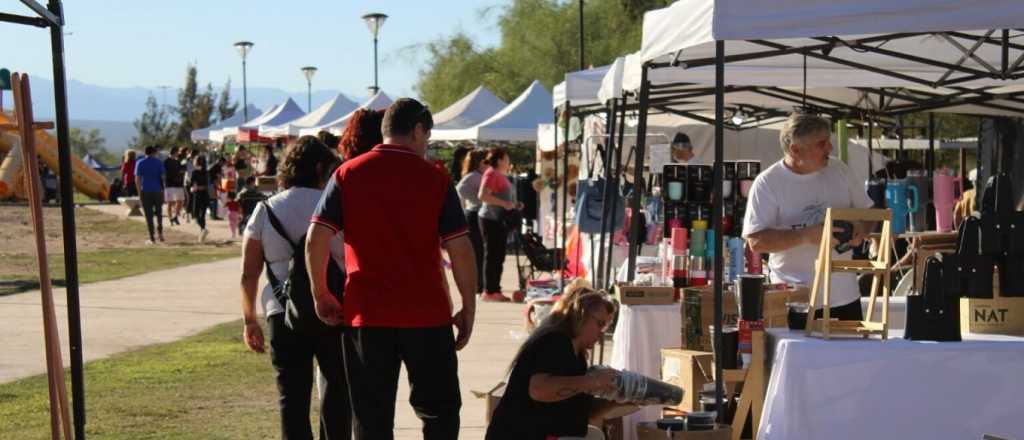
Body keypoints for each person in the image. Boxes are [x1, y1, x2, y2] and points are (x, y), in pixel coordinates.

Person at [306, 98, 477, 440]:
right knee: (440, 413)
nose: (427, 145)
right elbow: (460, 248)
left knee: (370, 418)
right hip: (426, 314)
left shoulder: (347, 173)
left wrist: (320, 292)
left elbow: (317, 237)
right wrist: (468, 305)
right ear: (416, 131)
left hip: (367, 315)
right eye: (427, 136)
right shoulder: (436, 179)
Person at [239, 136, 351, 439]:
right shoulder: (335, 205)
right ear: (319, 168)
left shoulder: (265, 210)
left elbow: (249, 273)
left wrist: (250, 319)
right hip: (333, 307)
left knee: (292, 399)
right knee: (338, 394)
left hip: (281, 309)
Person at [742, 112, 874, 320]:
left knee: (851, 353)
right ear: (795, 149)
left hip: (844, 297)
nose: (830, 149)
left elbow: (869, 213)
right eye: (822, 144)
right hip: (794, 299)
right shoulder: (768, 183)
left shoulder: (840, 170)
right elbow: (756, 241)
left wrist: (861, 227)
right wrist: (805, 236)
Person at [486, 281, 625, 440]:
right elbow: (539, 389)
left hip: (539, 432)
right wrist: (593, 381)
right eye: (600, 324)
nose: (601, 334)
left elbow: (582, 410)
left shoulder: (576, 354)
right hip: (519, 433)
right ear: (581, 314)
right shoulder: (555, 342)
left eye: (605, 327)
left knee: (595, 435)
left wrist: (619, 401)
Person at [478, 147, 521, 302]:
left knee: (498, 255)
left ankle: (494, 289)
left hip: (497, 219)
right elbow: (482, 195)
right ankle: (490, 291)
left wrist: (513, 205)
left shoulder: (498, 175)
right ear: (501, 159)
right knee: (493, 255)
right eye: (507, 158)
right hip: (491, 219)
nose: (509, 161)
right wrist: (504, 203)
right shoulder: (491, 173)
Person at [456, 149, 488, 296]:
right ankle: (478, 285)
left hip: (474, 213)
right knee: (478, 252)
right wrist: (478, 199)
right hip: (474, 214)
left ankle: (479, 285)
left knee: (479, 252)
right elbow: (460, 189)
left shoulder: (476, 175)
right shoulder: (475, 176)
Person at [135, 145, 166, 244]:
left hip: (145, 190)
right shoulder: (159, 162)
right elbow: (163, 177)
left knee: (148, 215)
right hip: (157, 190)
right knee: (159, 213)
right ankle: (160, 233)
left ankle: (152, 237)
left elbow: (137, 179)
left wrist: (139, 192)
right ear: (153, 152)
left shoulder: (140, 163)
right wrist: (163, 190)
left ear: (145, 153)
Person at [189, 155, 212, 243]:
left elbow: (192, 184)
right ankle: (202, 234)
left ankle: (203, 229)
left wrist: (195, 188)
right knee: (202, 215)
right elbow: (207, 185)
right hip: (205, 195)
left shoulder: (195, 172)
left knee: (195, 215)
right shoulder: (206, 172)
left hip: (197, 195)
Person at [164, 146, 187, 225]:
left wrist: (182, 170)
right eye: (178, 152)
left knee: (180, 201)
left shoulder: (177, 161)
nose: (179, 153)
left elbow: (181, 170)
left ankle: (175, 216)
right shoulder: (166, 161)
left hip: (178, 184)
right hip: (169, 184)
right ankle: (170, 218)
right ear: (175, 152)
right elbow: (165, 173)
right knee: (170, 202)